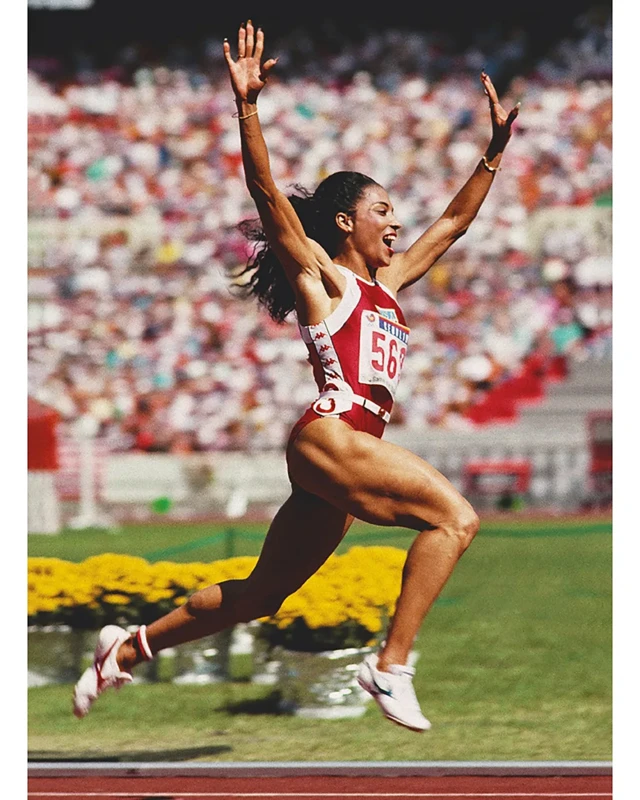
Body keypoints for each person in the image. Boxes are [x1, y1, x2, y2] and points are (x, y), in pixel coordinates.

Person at [73, 21, 519, 732]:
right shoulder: (321, 276)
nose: (397, 224)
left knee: (265, 592)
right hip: (333, 431)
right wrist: (247, 107)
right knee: (455, 518)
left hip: (344, 449)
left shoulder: (391, 282)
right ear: (345, 221)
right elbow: (266, 191)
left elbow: (454, 223)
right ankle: (391, 665)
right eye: (382, 211)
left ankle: (128, 647)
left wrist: (494, 153)